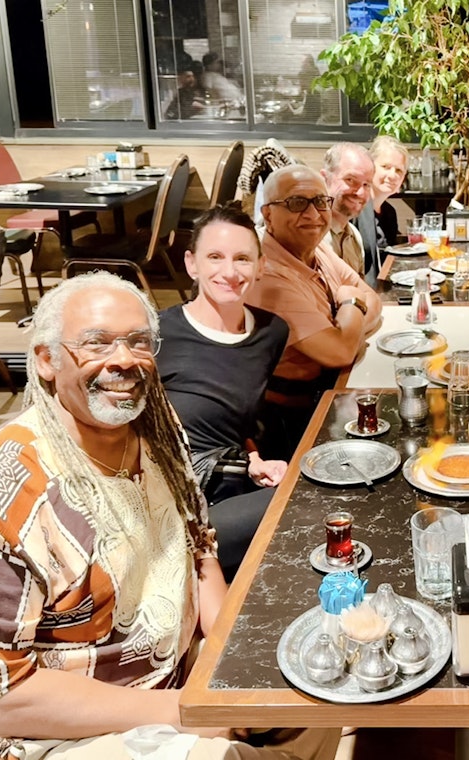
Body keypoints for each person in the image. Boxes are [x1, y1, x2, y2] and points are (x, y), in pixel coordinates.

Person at [0, 273, 338, 760]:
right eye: (96, 343)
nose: (124, 359)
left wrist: (231, 659)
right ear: (46, 360)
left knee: (314, 694)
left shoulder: (155, 427)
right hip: (47, 736)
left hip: (170, 678)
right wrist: (186, 713)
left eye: (139, 342)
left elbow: (199, 547)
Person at [157, 203, 289, 582]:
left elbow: (233, 419)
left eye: (243, 259)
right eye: (214, 257)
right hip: (174, 509)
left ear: (260, 266)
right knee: (305, 501)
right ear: (191, 264)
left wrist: (255, 458)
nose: (229, 272)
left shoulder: (271, 332)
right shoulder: (157, 336)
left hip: (231, 487)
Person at [245, 165, 382, 456]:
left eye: (321, 202)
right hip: (294, 421)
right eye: (297, 203)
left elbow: (374, 301)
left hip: (334, 388)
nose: (313, 215)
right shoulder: (266, 275)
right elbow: (339, 352)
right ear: (268, 215)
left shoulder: (314, 248)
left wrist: (346, 329)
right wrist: (349, 303)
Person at [318, 143, 377, 283]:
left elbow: (360, 292)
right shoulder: (312, 236)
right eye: (350, 180)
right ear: (325, 179)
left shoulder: (354, 236)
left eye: (366, 184)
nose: (361, 193)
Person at [356, 135, 410, 269]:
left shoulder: (390, 212)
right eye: (386, 167)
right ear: (370, 167)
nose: (392, 175)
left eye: (398, 170)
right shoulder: (355, 209)